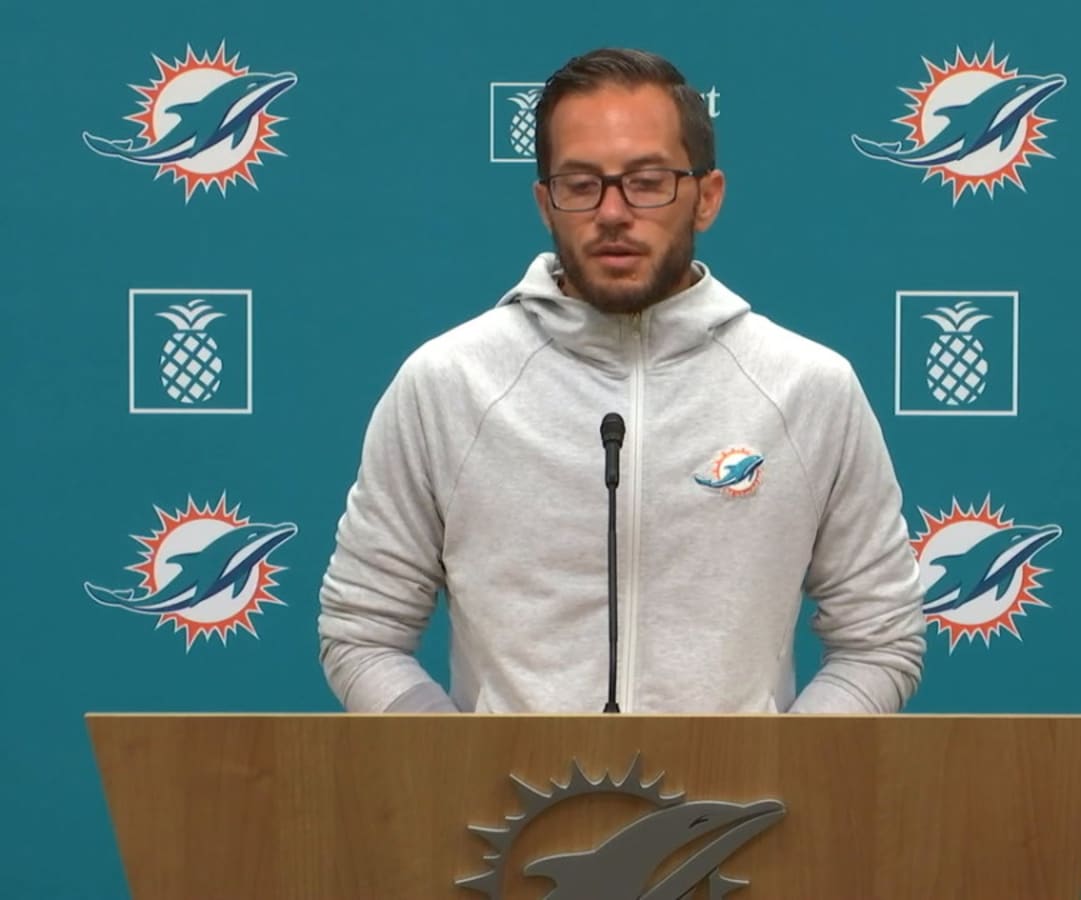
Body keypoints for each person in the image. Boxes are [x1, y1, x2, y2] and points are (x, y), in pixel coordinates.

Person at [318, 48, 926, 715]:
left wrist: (784, 779)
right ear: (545, 203)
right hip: (503, 817)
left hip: (740, 818)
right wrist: (458, 777)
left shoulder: (809, 387)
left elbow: (880, 639)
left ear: (707, 197)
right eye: (580, 184)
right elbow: (362, 633)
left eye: (647, 181)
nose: (612, 212)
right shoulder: (446, 384)